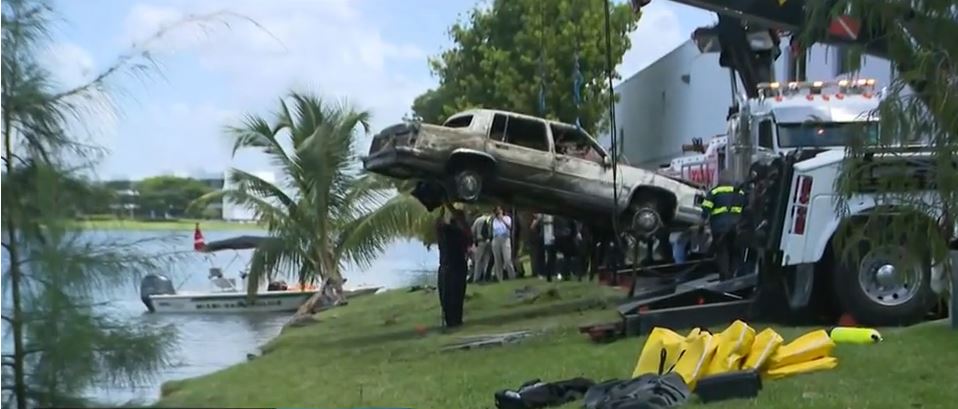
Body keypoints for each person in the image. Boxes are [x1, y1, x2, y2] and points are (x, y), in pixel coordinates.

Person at [701, 169, 748, 281]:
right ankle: (733, 275)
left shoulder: (714, 192)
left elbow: (705, 211)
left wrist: (701, 226)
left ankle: (725, 278)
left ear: (720, 180)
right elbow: (746, 209)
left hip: (719, 229)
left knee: (722, 253)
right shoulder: (740, 193)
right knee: (735, 252)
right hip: (737, 228)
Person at [436, 203, 472, 328]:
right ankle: (453, 320)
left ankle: (453, 321)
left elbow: (439, 223)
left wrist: (445, 206)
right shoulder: (456, 232)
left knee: (451, 297)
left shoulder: (453, 232)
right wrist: (447, 206)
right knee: (454, 296)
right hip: (453, 267)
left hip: (450, 267)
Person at [490, 205, 516, 281]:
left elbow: (510, 227)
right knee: (498, 260)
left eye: (500, 210)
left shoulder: (507, 218)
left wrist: (502, 220)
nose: (499, 212)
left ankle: (512, 276)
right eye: (497, 211)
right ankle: (499, 278)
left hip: (505, 239)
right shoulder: (493, 220)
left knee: (507, 259)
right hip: (496, 239)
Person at [470, 212, 493, 282]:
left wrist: (473, 240)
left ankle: (477, 277)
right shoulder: (490, 220)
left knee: (478, 260)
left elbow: (472, 231)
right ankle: (487, 276)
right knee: (487, 260)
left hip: (480, 242)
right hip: (489, 242)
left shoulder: (478, 220)